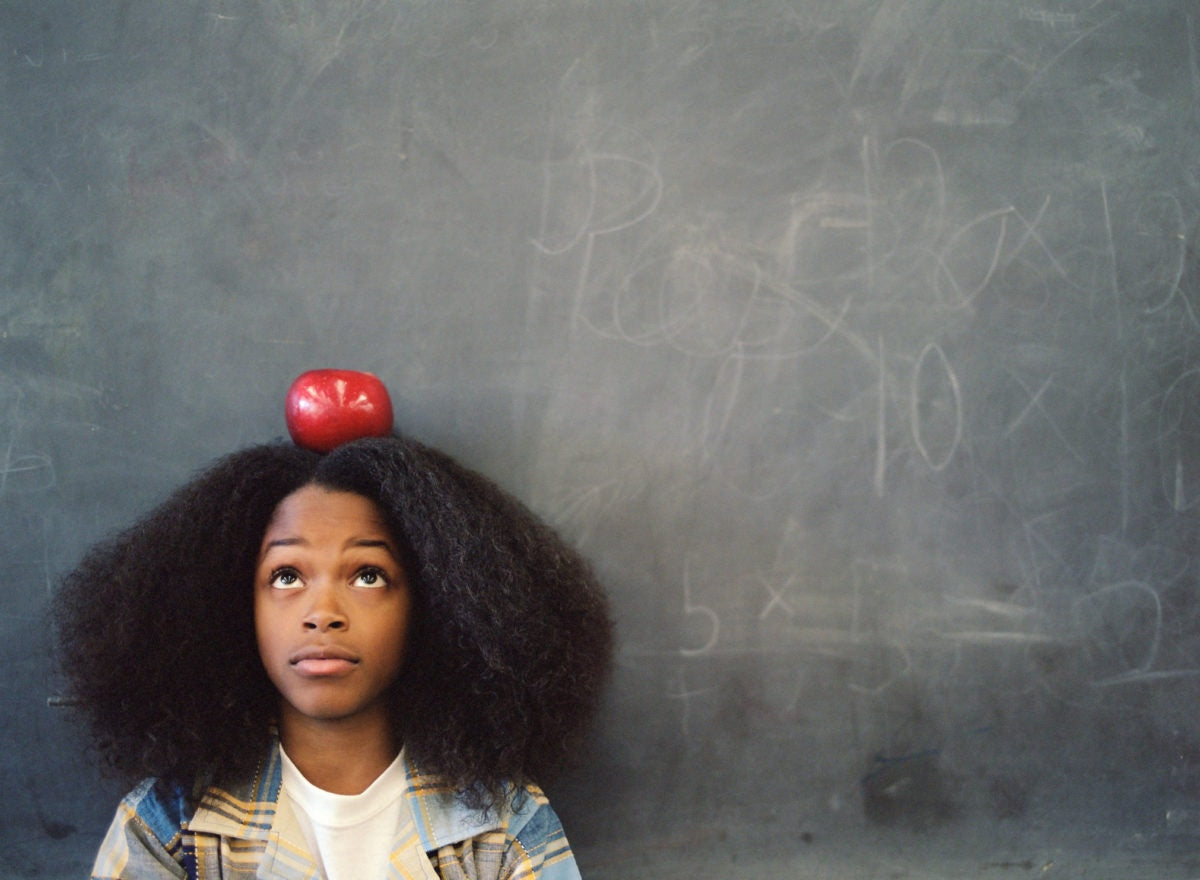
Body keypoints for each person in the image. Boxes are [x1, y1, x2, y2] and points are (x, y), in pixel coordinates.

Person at [53, 434, 613, 879]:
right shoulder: (169, 826)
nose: (323, 612)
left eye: (368, 575)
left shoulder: (503, 825)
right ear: (229, 606)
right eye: (286, 576)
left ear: (437, 606)